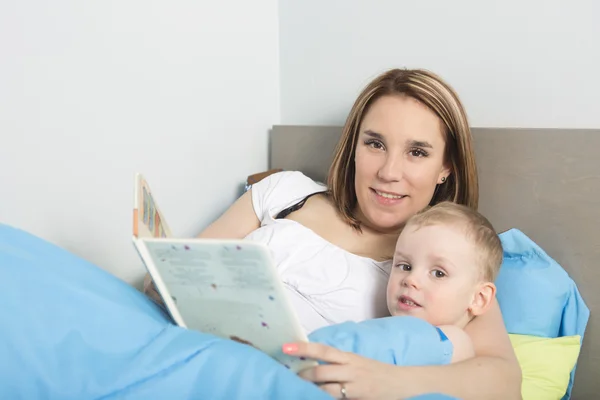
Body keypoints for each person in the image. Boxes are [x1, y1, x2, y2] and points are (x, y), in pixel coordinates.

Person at [143, 68, 522, 399]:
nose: (389, 171)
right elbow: (177, 266)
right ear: (354, 147)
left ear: (446, 168)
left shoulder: (442, 260)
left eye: (417, 153)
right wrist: (162, 282)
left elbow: (503, 382)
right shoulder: (285, 192)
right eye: (375, 144)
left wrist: (392, 382)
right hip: (186, 350)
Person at [298, 201, 504, 373]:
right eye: (405, 266)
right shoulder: (388, 327)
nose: (410, 279)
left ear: (479, 299)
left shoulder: (455, 342)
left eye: (438, 273)